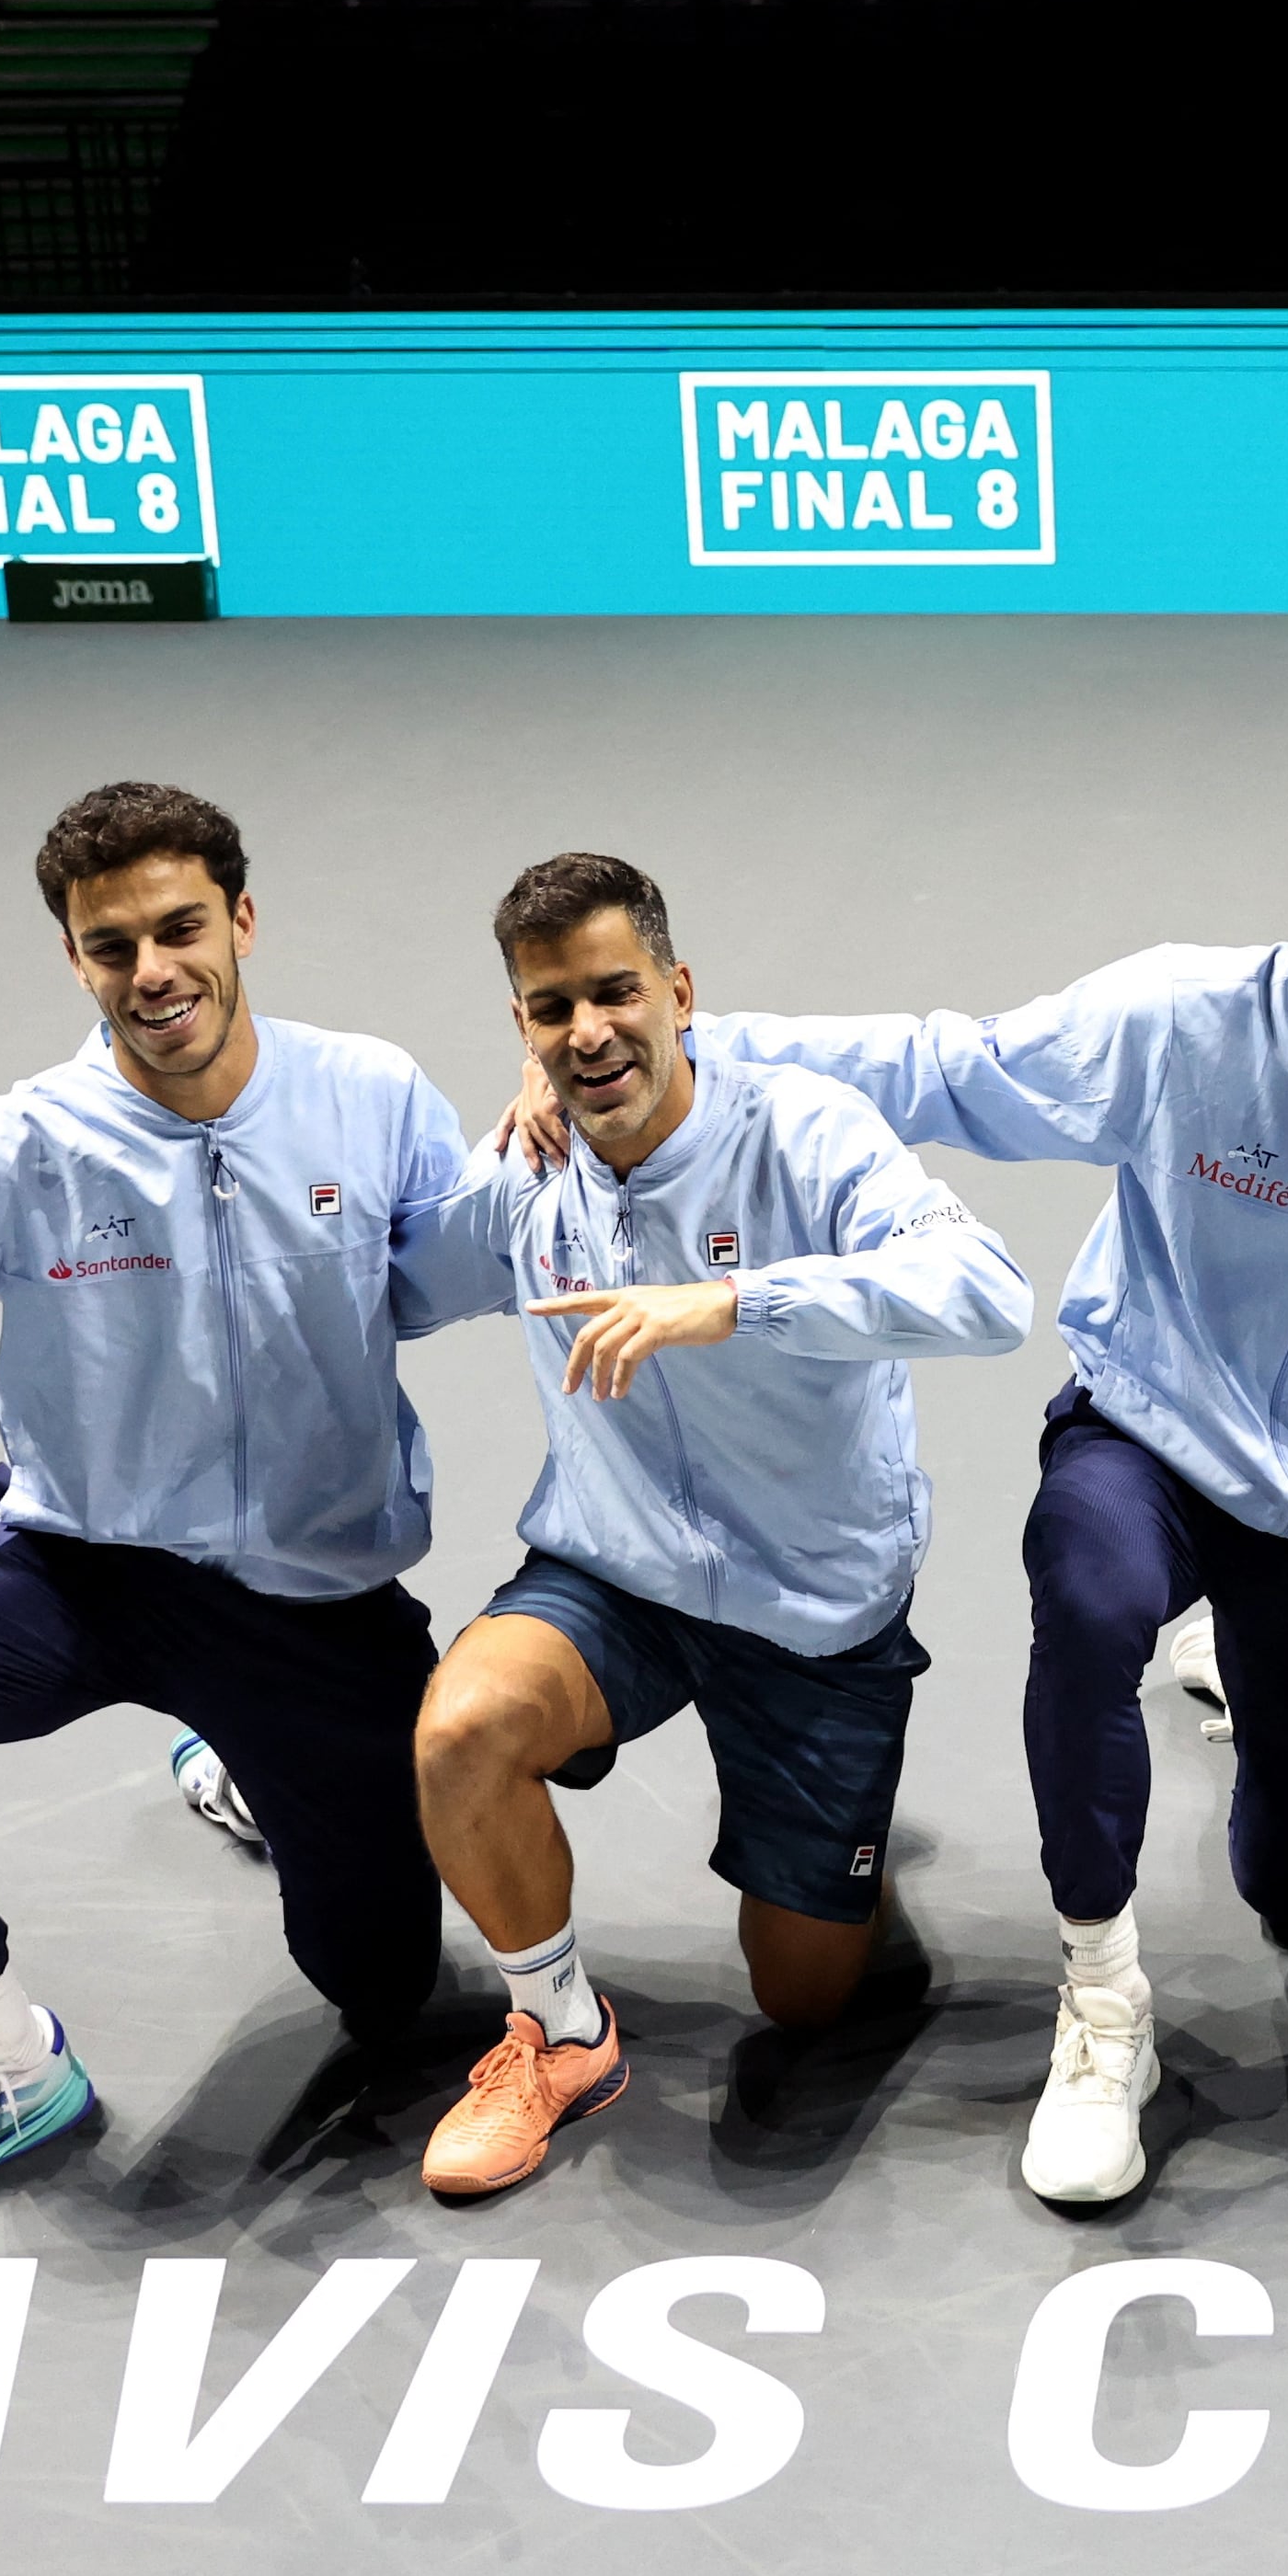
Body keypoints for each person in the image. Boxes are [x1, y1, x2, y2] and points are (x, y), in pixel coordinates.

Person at [529, 739, 1288, 2205]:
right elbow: (951, 1066)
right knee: (1091, 1601)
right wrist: (660, 1056)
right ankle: (1101, 2010)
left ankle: (1237, 1649)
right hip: (1149, 1429)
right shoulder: (1188, 1021)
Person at [0, 783, 471, 2236]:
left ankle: (246, 1758)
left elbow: (456, 1270)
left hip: (305, 1607)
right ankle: (0, 2059)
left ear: (244, 922)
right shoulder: (15, 1145)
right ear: (75, 959)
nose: (152, 972)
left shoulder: (369, 1094)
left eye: (181, 928)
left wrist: (571, 1155)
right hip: (74, 1563)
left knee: (389, 1998)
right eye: (109, 945)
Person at [391, 855, 1029, 2197]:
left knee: (804, 2002)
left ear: (679, 992)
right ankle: (557, 2032)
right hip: (613, 1574)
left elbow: (986, 1293)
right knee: (459, 1730)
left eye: (617, 993)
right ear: (521, 1027)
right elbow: (379, 1291)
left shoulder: (805, 1133)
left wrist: (736, 1303)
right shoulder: (526, 1169)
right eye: (551, 1008)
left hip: (813, 1607)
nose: (589, 1033)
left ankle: (846, 1872)